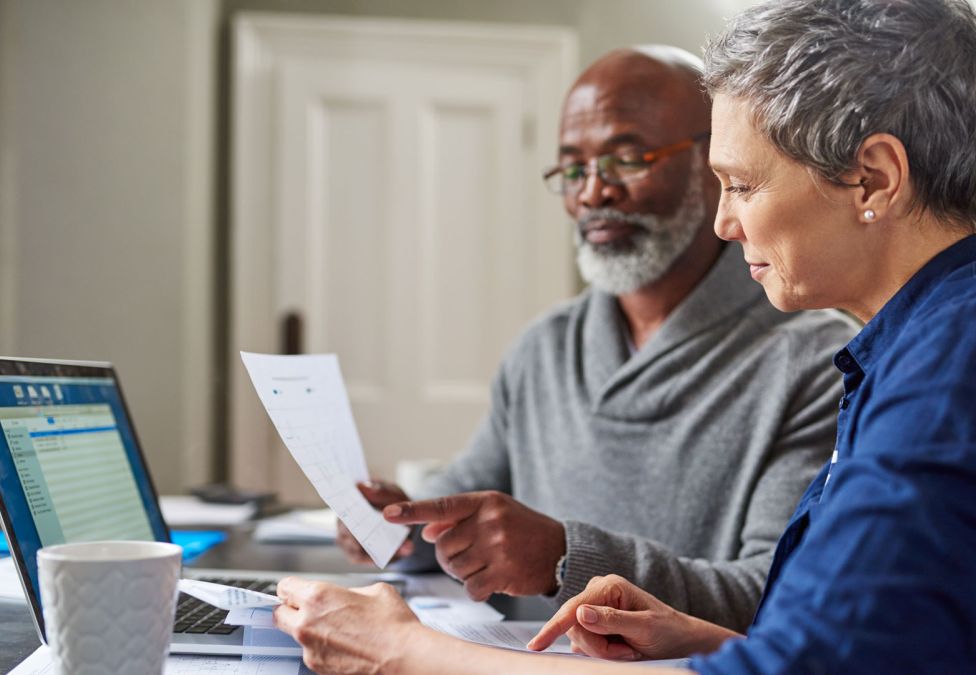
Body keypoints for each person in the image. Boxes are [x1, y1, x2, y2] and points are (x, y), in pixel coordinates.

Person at [271, 0, 976, 672]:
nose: (727, 223)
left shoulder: (938, 374)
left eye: (740, 184)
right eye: (573, 168)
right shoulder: (903, 350)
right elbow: (840, 639)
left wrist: (407, 654)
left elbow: (800, 658)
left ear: (873, 179)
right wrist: (695, 635)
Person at [337, 45, 856, 631]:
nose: (591, 193)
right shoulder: (545, 348)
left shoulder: (817, 361)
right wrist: (400, 523)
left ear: (714, 164)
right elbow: (465, 510)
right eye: (573, 168)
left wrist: (566, 558)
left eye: (627, 158)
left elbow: (775, 590)